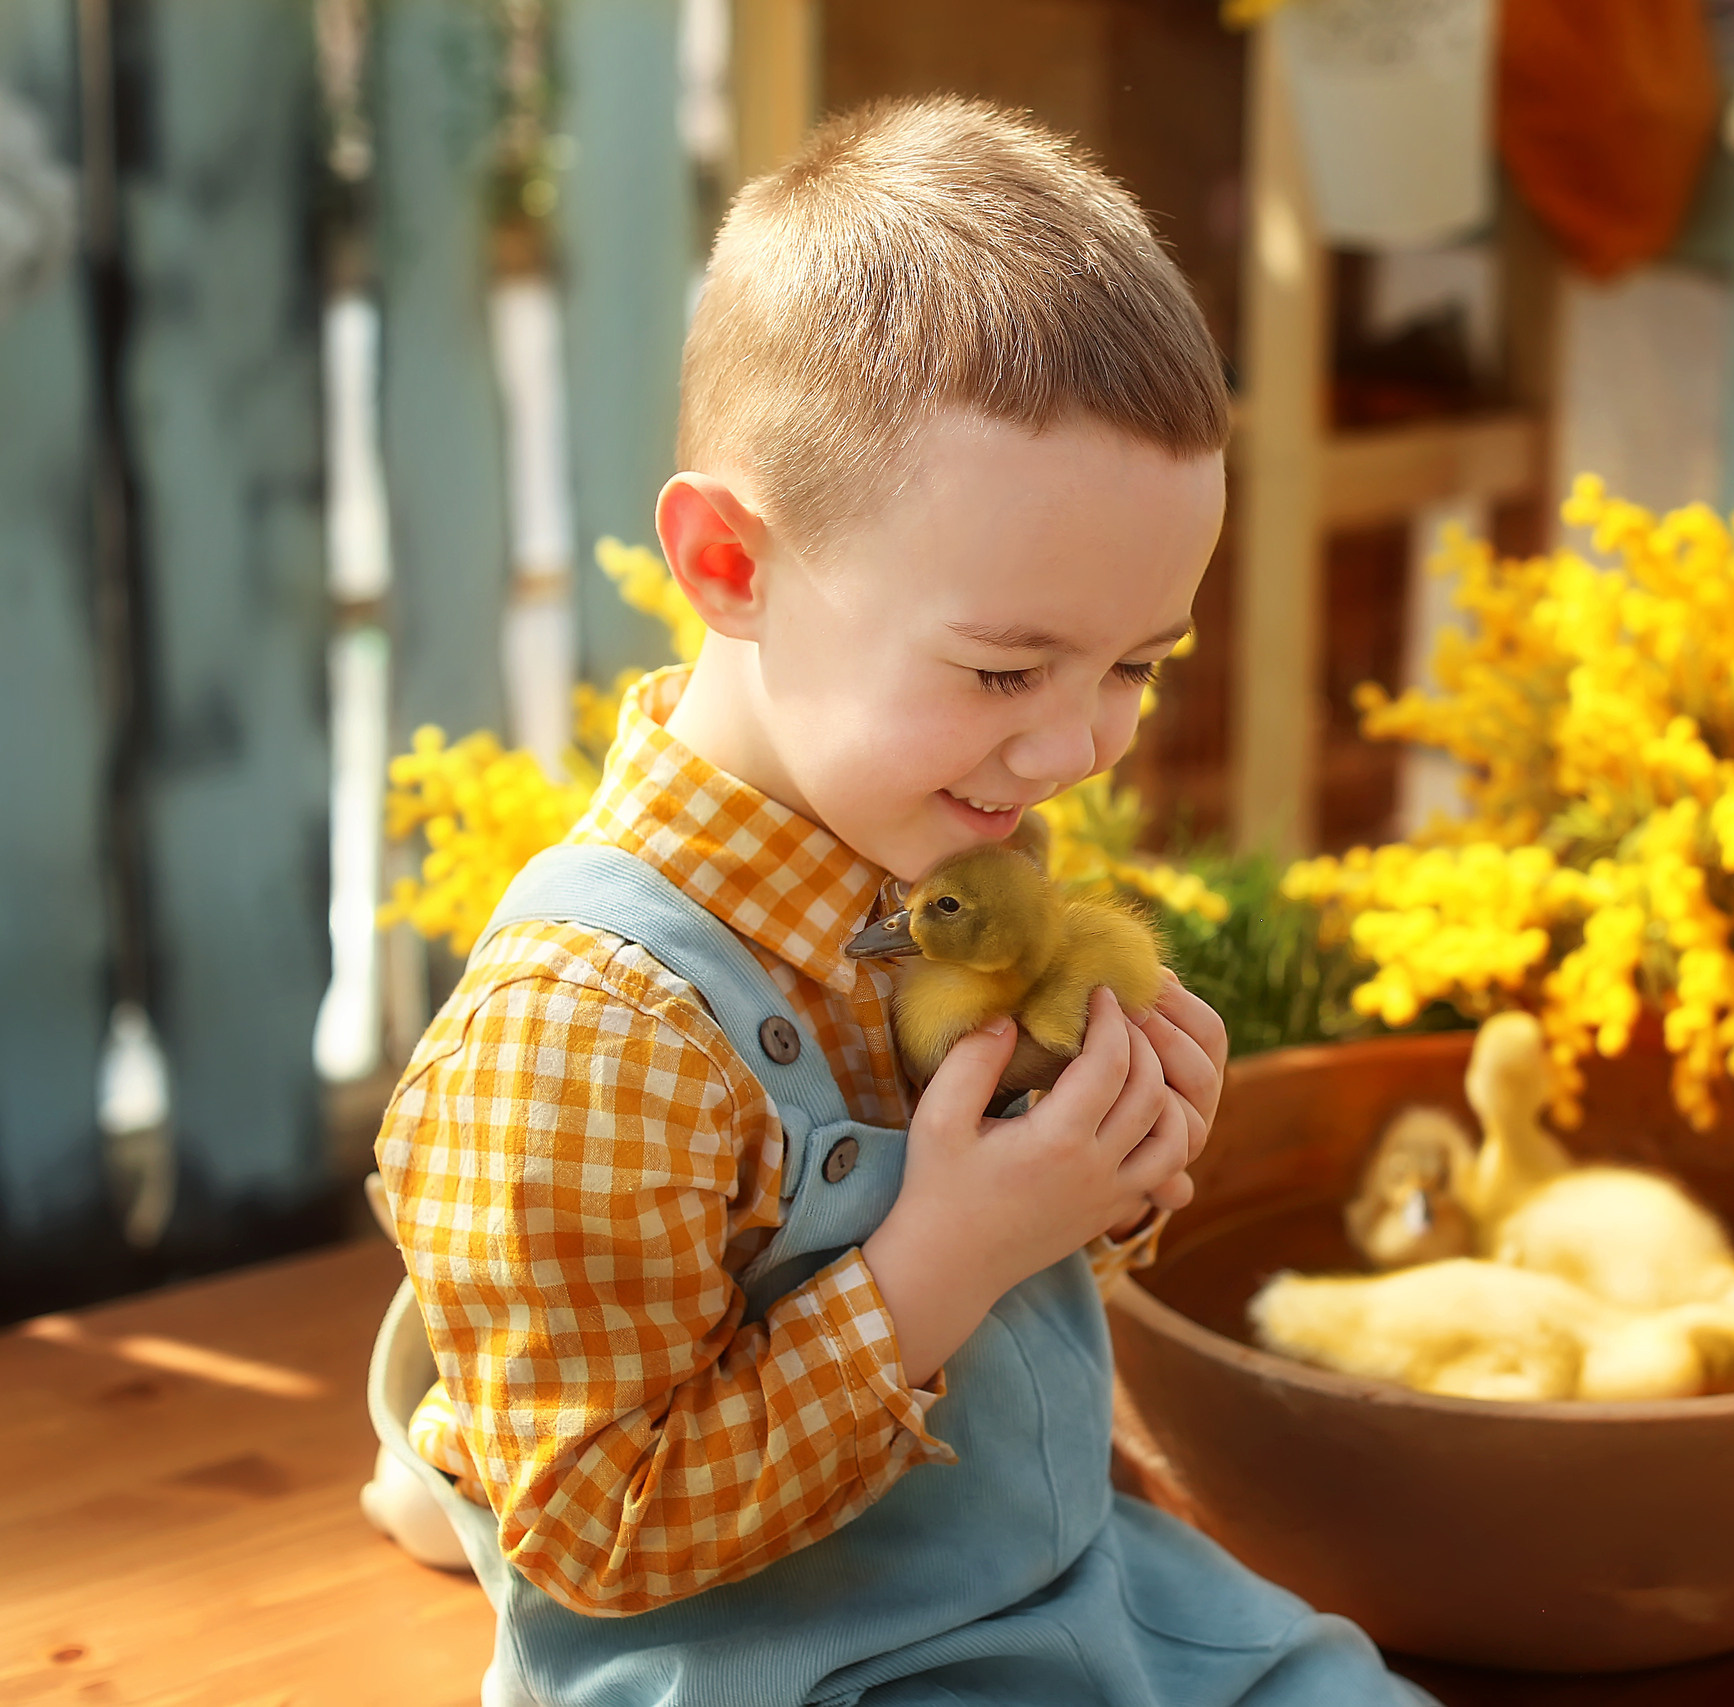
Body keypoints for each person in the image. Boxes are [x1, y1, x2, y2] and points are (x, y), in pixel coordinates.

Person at [369, 96, 1434, 1707]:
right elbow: (596, 1532)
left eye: (1139, 664)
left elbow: (1040, 1270)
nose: (1081, 742)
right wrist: (943, 1251)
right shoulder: (583, 1039)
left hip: (1070, 1583)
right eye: (1010, 665)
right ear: (731, 568)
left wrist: (1114, 1165)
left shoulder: (957, 841)